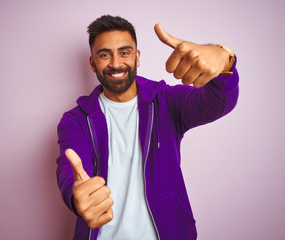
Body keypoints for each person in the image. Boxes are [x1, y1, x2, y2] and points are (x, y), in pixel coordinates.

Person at [56, 15, 239, 240]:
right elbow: (69, 167)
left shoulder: (166, 101)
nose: (115, 63)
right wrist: (77, 197)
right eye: (105, 55)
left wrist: (224, 59)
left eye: (124, 52)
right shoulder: (75, 120)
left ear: (137, 57)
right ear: (93, 63)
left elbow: (216, 104)